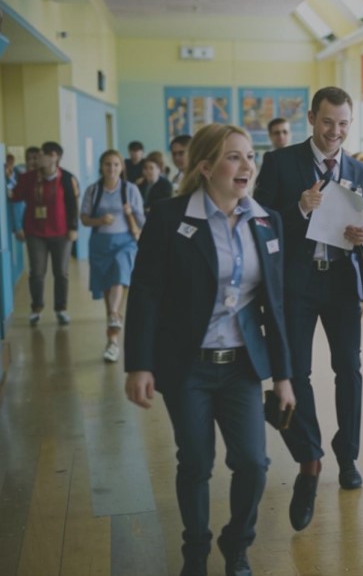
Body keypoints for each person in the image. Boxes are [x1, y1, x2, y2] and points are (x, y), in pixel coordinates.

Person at [123, 123, 296, 576]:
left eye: (249, 156)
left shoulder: (267, 221)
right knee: (196, 463)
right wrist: (139, 364)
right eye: (233, 157)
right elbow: (146, 293)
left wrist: (283, 376)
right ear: (205, 167)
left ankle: (237, 546)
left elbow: (275, 305)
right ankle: (195, 552)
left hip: (242, 366)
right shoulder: (170, 217)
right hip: (188, 367)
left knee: (254, 464)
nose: (246, 166)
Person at [253, 86, 363, 532]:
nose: (335, 132)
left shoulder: (362, 171)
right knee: (296, 372)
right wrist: (297, 208)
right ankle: (310, 457)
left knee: (349, 368)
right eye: (328, 122)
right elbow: (259, 220)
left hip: (342, 281)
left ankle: (349, 456)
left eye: (343, 123)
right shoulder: (280, 163)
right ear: (311, 118)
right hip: (297, 283)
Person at [80, 150, 145, 362]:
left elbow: (142, 220)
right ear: (101, 166)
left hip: (125, 242)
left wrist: (130, 214)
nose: (112, 168)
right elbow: (84, 219)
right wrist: (99, 221)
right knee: (108, 290)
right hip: (100, 244)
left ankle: (115, 314)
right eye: (108, 164)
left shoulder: (130, 190)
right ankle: (112, 341)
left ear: (121, 167)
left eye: (116, 164)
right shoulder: (93, 190)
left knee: (120, 274)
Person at [8, 141, 80, 325]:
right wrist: (7, 180)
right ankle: (36, 308)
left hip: (62, 234)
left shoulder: (67, 178)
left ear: (54, 157)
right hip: (35, 233)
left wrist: (73, 228)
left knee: (61, 273)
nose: (38, 158)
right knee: (37, 272)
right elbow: (15, 196)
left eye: (42, 155)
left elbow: (73, 205)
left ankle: (61, 309)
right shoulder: (29, 178)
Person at [10, 146, 41, 243]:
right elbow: (17, 204)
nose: (32, 162)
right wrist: (19, 227)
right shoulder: (18, 176)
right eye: (29, 159)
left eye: (35, 158)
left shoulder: (44, 177)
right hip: (22, 227)